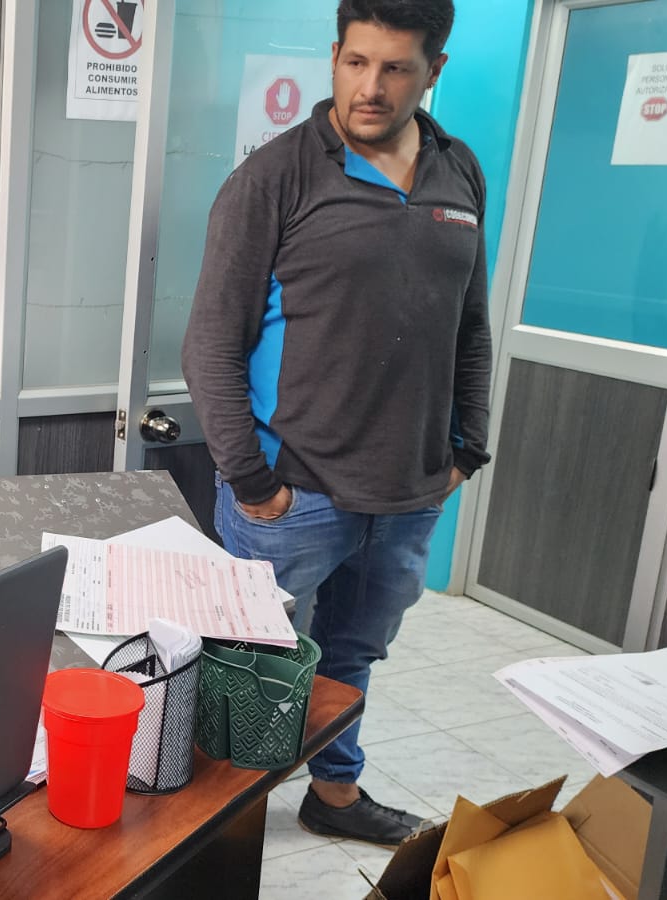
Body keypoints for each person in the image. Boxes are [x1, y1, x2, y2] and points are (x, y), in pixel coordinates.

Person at [181, 0, 490, 846]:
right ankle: (221, 834)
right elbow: (210, 342)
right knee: (254, 668)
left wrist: (468, 448)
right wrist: (252, 480)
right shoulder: (276, 175)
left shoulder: (460, 172)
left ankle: (335, 794)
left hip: (410, 493)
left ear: (434, 70)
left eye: (395, 68)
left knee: (352, 659)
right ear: (334, 56)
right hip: (294, 494)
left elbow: (470, 324)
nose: (370, 87)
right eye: (356, 62)